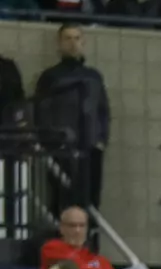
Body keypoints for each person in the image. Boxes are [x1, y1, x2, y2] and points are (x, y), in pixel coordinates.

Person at [33, 25, 108, 211]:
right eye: (67, 38)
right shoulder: (50, 77)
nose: (73, 43)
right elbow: (40, 111)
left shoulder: (94, 76)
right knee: (61, 196)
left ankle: (90, 238)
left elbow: (102, 109)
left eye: (76, 38)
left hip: (90, 147)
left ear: (83, 43)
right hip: (61, 146)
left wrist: (101, 140)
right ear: (59, 44)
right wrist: (48, 141)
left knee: (90, 198)